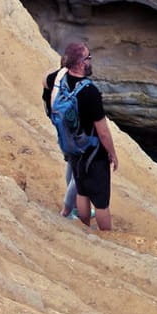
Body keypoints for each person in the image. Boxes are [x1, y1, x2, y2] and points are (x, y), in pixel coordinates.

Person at [42, 41, 117, 232]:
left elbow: (44, 81)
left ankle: (84, 227)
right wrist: (113, 154)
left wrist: (58, 76)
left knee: (82, 191)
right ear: (81, 63)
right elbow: (102, 131)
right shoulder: (90, 92)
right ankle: (106, 236)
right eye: (88, 57)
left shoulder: (58, 79)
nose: (90, 60)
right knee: (101, 201)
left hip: (72, 148)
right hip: (94, 152)